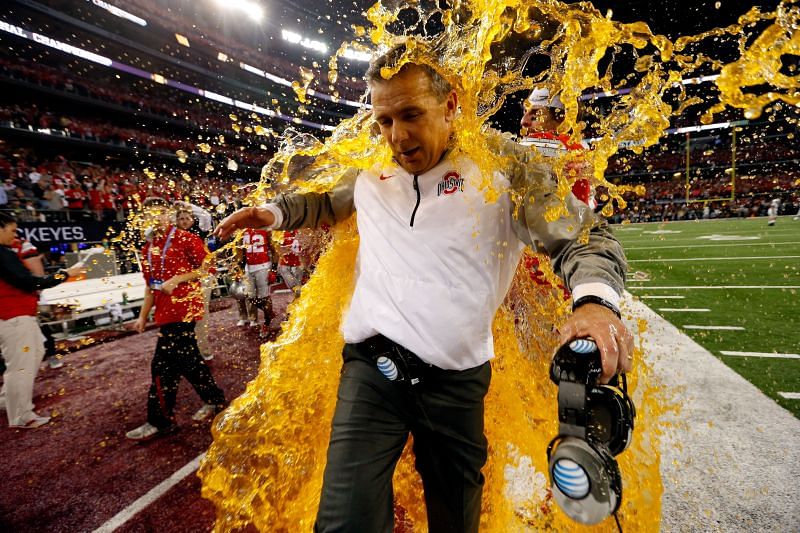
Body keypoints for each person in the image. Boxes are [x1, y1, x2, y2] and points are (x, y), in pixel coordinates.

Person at [215, 46, 632, 532]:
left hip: (456, 383)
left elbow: (583, 236)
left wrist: (596, 304)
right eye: (385, 121)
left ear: (451, 104)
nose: (398, 137)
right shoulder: (369, 163)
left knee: (455, 520)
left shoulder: (505, 165)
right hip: (372, 371)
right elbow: (328, 200)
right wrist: (275, 213)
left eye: (411, 115)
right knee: (343, 523)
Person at [126, 198, 226, 441]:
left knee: (161, 367)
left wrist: (179, 279)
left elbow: (208, 269)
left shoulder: (185, 238)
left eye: (159, 214)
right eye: (150, 215)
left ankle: (160, 421)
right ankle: (216, 400)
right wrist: (142, 317)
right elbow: (151, 288)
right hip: (164, 314)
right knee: (189, 362)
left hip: (183, 311)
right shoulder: (148, 248)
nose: (155, 219)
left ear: (168, 215)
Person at [0, 212, 84, 428]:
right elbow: (29, 282)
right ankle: (21, 415)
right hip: (14, 317)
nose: (15, 236)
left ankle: (8, 400)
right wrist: (64, 274)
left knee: (34, 353)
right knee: (21, 366)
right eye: (12, 230)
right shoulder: (4, 253)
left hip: (13, 316)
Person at [175, 202, 215, 361]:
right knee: (184, 316)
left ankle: (203, 351)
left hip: (203, 278)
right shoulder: (173, 235)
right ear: (176, 221)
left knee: (200, 315)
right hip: (185, 280)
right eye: (181, 218)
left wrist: (185, 204)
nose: (184, 221)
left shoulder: (199, 231)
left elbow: (206, 215)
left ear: (193, 220)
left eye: (187, 218)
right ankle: (188, 349)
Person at [238, 227, 275, 338]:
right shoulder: (243, 230)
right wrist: (238, 268)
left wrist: (273, 269)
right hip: (248, 267)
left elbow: (274, 249)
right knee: (250, 297)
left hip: (263, 267)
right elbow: (240, 250)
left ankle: (266, 324)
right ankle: (269, 312)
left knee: (264, 297)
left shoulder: (266, 228)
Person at [277, 229, 306, 297]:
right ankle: (299, 299)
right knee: (297, 287)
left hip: (291, 263)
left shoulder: (283, 233)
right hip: (294, 263)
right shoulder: (301, 232)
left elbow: (280, 250)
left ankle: (299, 299)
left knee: (296, 287)